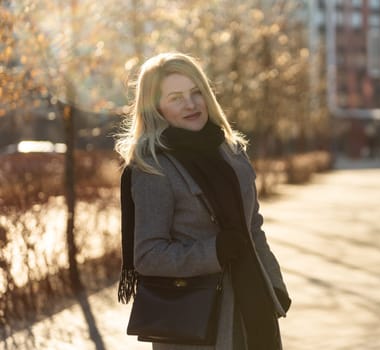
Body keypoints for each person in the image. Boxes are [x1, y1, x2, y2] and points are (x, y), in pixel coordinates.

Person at [115, 52, 291, 350]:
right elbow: (147, 255)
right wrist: (214, 251)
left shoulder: (231, 151)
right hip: (197, 324)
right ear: (155, 108)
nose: (191, 104)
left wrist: (273, 282)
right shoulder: (154, 168)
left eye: (196, 92)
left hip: (253, 307)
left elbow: (253, 227)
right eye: (176, 97)